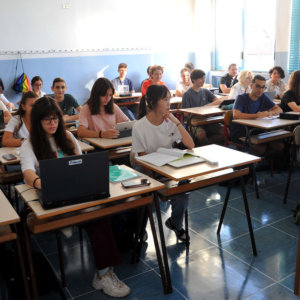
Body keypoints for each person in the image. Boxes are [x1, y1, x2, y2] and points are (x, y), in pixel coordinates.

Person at [20, 97, 130, 298]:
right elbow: (28, 174)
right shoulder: (30, 144)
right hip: (54, 199)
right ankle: (104, 274)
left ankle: (105, 271)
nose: (53, 124)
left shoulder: (68, 137)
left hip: (77, 195)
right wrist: (45, 184)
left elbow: (82, 164)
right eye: (47, 120)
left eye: (55, 119)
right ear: (37, 122)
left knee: (107, 210)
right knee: (98, 218)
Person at [132, 85, 194, 242]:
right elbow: (142, 157)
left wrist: (175, 121)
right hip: (145, 167)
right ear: (152, 102)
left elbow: (190, 144)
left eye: (169, 99)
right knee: (149, 196)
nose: (169, 103)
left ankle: (176, 224)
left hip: (167, 165)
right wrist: (160, 177)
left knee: (183, 189)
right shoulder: (139, 126)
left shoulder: (170, 122)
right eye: (165, 99)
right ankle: (139, 229)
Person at [230, 75, 282, 153]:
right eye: (257, 86)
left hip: (257, 131)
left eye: (263, 87)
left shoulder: (263, 97)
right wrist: (257, 115)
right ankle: (260, 163)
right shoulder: (241, 98)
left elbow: (279, 109)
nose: (260, 90)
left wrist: (269, 113)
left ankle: (268, 163)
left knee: (280, 145)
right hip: (242, 133)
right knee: (264, 148)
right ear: (251, 86)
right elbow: (236, 115)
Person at [182, 69, 225, 146]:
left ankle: (210, 145)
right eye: (201, 78)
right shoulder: (187, 94)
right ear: (194, 80)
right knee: (201, 135)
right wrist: (198, 113)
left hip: (206, 120)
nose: (203, 80)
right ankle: (206, 146)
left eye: (204, 78)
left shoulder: (205, 91)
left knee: (224, 131)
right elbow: (185, 114)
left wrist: (205, 107)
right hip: (194, 122)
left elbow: (218, 101)